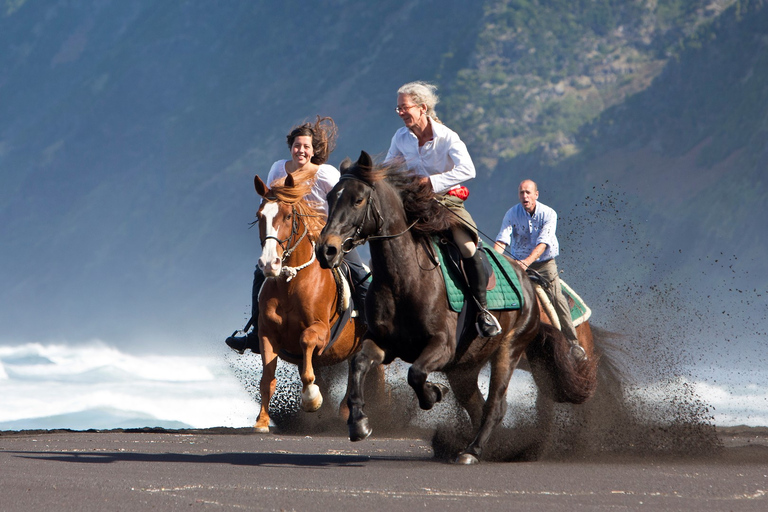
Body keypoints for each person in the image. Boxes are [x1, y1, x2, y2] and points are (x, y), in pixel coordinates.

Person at [225, 117, 370, 354]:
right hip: (291, 236)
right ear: (290, 147)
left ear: (314, 151)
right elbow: (271, 201)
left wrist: (331, 231)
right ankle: (254, 331)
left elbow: (341, 205)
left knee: (358, 271)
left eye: (306, 147)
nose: (300, 150)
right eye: (297, 146)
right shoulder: (278, 168)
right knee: (260, 273)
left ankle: (370, 325)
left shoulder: (326, 173)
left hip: (326, 235)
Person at [384, 81, 501, 338]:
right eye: (398, 109)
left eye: (404, 108)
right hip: (412, 204)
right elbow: (389, 168)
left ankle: (483, 311)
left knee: (468, 247)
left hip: (446, 202)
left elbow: (468, 170)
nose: (400, 112)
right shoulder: (400, 137)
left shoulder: (448, 137)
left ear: (422, 107)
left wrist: (431, 182)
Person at [493, 179, 587, 361]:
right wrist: (495, 260)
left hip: (544, 264)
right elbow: (501, 241)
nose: (524, 196)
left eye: (528, 192)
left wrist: (527, 262)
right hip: (518, 264)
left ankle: (573, 344)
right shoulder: (512, 213)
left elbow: (543, 243)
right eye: (521, 193)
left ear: (536, 194)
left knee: (557, 298)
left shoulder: (548, 214)